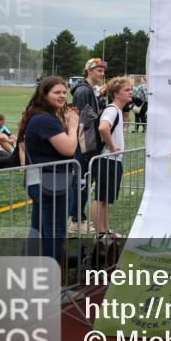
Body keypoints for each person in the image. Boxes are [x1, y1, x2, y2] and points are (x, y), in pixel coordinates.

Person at [17, 76, 79, 263]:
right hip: (52, 183)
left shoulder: (40, 116)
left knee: (39, 229)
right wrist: (73, 127)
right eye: (57, 92)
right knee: (55, 233)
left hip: (42, 181)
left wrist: (66, 125)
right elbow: (69, 149)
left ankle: (31, 266)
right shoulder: (45, 119)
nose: (62, 96)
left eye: (64, 92)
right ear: (44, 95)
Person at [69, 58, 106, 233]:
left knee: (83, 181)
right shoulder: (83, 91)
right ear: (89, 71)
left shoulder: (88, 90)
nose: (102, 74)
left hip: (87, 144)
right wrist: (87, 148)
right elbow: (83, 123)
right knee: (81, 182)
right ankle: (76, 220)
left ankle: (77, 218)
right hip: (84, 145)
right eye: (99, 70)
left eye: (103, 71)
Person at [92, 76, 132, 236]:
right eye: (127, 90)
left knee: (105, 199)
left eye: (131, 89)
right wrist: (112, 146)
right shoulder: (112, 110)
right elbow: (103, 128)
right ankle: (100, 233)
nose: (130, 92)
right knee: (101, 198)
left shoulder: (117, 111)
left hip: (112, 160)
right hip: (107, 159)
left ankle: (105, 230)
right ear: (116, 94)